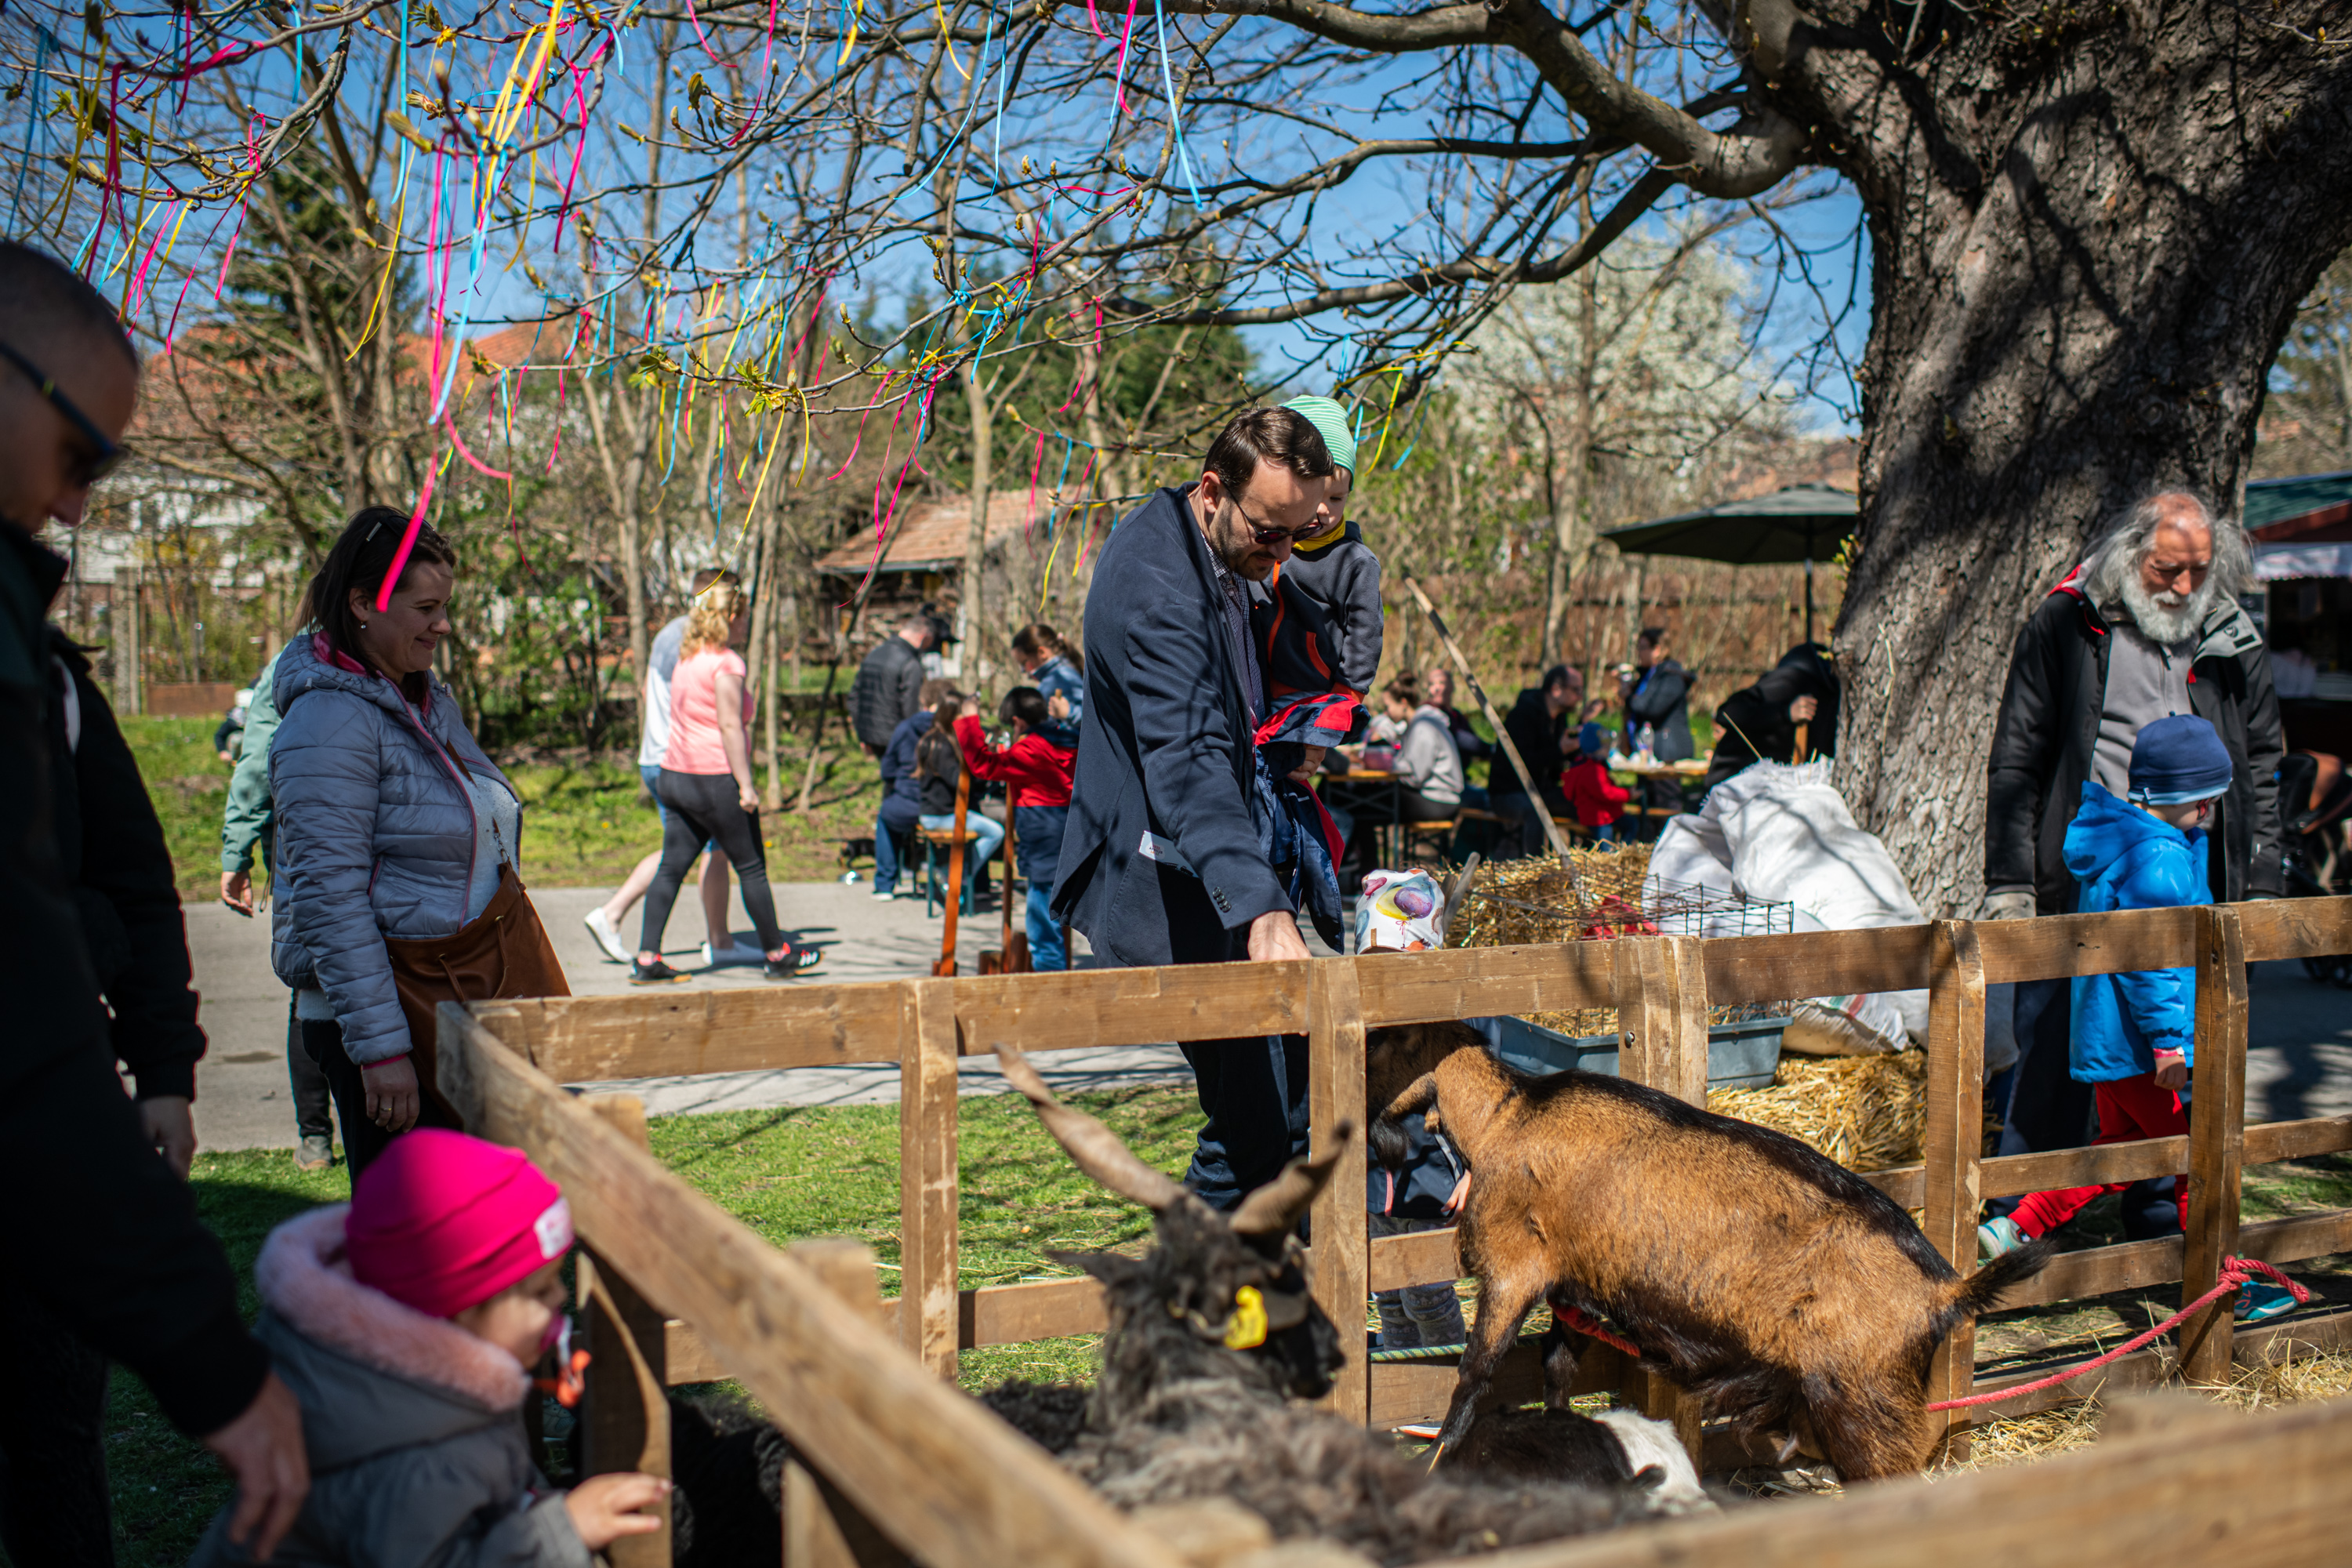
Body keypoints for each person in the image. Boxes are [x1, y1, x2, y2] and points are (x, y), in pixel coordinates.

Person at [0, 239, 307, 1563]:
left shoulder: (47, 670)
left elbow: (126, 877)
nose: (76, 509)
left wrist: (169, 1063)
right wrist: (211, 1360)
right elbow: (21, 1015)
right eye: (84, 456)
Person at [1054, 405, 1331, 1209]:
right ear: (1214, 490)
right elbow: (1186, 762)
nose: (1281, 553)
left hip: (1209, 866)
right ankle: (1190, 1313)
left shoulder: (1214, 541)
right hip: (1164, 880)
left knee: (1290, 1105)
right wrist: (1260, 908)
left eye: (1298, 533)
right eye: (1271, 531)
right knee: (1260, 1125)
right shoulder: (1157, 590)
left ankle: (1252, 1310)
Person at [1984, 492, 2283, 1223]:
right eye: (2166, 570)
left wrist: (2266, 878)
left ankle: (2162, 1219)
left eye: (2198, 571)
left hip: (2193, 875)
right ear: (2128, 557)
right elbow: (2017, 754)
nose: (2182, 588)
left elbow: (2264, 756)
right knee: (2058, 1050)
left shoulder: (2230, 632)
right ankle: (2020, 1215)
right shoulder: (2066, 619)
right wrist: (2010, 882)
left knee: (2180, 1055)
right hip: (2085, 876)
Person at [191, 1130, 670, 1565]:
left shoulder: (411, 1387)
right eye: (541, 1289)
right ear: (457, 1314)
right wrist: (559, 1531)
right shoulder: (421, 1465)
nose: (562, 1298)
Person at [272, 509, 568, 1178]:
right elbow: (329, 897)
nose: (444, 624)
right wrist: (381, 1053)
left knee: (487, 1224)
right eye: (427, 607)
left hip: (450, 998)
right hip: (393, 1024)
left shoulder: (425, 699)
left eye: (446, 606)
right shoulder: (329, 721)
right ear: (362, 605)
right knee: (421, 1251)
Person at [1975, 718, 2298, 1322]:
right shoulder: (2157, 864)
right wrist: (2170, 1046)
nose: (2211, 812)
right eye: (2210, 800)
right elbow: (2151, 962)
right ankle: (2223, 1282)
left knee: (2124, 1152)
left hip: (2108, 1043)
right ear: (2196, 798)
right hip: (2143, 1048)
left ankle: (2018, 1227)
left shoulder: (2125, 845)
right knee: (2191, 1156)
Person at [631, 577, 822, 983]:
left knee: (671, 868)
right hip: (715, 780)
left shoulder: (688, 657)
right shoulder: (727, 663)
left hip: (676, 776)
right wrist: (747, 785)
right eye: (745, 615)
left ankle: (647, 958)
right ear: (731, 616)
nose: (747, 622)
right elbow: (731, 726)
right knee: (751, 867)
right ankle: (776, 954)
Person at [582, 571, 741, 969]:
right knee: (696, 849)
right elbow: (703, 707)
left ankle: (714, 939)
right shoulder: (699, 642)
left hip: (657, 755)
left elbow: (646, 692)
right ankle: (620, 915)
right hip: (681, 762)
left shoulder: (670, 632)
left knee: (696, 848)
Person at [221, 641, 337, 1171]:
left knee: (319, 985)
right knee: (313, 982)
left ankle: (327, 1136)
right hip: (304, 844)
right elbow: (259, 756)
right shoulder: (299, 660)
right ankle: (315, 1131)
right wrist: (237, 845)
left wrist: (237, 850)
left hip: (335, 844)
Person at [1249, 396, 1382, 781]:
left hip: (1313, 693)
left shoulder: (1354, 562)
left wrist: (1345, 698)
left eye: (1337, 499)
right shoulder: (1271, 543)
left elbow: (1366, 634)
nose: (1324, 509)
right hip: (1258, 682)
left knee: (1295, 767)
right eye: (1317, 496)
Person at [956, 688, 1076, 969]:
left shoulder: (1031, 748)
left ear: (1018, 722)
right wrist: (1066, 718)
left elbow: (984, 765)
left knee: (1042, 917)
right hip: (1074, 825)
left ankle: (1051, 983)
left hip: (1044, 829)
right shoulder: (1073, 739)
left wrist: (970, 720)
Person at [855, 612, 947, 896]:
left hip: (878, 739)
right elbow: (911, 707)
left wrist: (864, 734)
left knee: (893, 801)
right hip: (905, 741)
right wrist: (915, 735)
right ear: (923, 636)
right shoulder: (909, 664)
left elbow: (855, 696)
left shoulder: (874, 654)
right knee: (912, 797)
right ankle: (910, 864)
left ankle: (892, 876)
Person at [1701, 642, 1840, 793]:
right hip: (1735, 783)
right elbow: (1728, 713)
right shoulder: (1791, 680)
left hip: (1772, 787)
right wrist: (1785, 713)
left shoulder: (1832, 693)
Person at [869, 677, 954, 900]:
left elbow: (887, 769)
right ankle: (975, 884)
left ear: (923, 701)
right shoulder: (953, 728)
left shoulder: (905, 727)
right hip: (943, 805)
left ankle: (885, 884)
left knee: (885, 817)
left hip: (908, 802)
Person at [913, 687, 1004, 888]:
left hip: (941, 812)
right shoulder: (940, 744)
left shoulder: (936, 739)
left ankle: (959, 876)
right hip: (940, 815)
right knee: (996, 832)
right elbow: (959, 782)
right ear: (953, 715)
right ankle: (956, 876)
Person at [1485, 664, 1578, 858]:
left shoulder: (1559, 718)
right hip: (1508, 792)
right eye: (1575, 690)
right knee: (1535, 812)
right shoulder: (1523, 715)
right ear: (1556, 689)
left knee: (1584, 802)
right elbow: (1523, 764)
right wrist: (1559, 750)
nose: (1580, 696)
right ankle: (1533, 871)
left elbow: (1555, 763)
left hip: (1541, 791)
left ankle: (1591, 864)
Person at [1012, 621, 1085, 749]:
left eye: (1024, 662)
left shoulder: (1064, 676)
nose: (1023, 670)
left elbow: (1093, 716)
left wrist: (1069, 713)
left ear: (1042, 653)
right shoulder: (1052, 678)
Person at [1564, 723, 1633, 841]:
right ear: (1596, 748)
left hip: (1604, 812)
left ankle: (1623, 851)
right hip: (1597, 817)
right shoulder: (1592, 770)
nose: (1608, 750)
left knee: (1631, 823)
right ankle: (1613, 855)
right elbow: (1605, 792)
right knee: (1605, 844)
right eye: (1605, 746)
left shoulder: (1591, 765)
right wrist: (1628, 794)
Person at [1423, 666, 1490, 764]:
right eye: (1432, 684)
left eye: (1441, 683)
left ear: (1452, 686)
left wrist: (1489, 750)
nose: (1437, 688)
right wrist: (1490, 749)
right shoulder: (1428, 713)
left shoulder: (1456, 714)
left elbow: (1472, 739)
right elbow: (1459, 738)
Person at [215, 686, 252, 762]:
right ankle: (235, 761)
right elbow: (219, 735)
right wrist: (223, 751)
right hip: (237, 747)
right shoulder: (234, 719)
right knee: (237, 738)